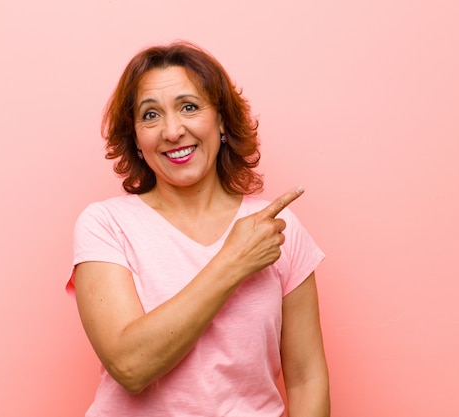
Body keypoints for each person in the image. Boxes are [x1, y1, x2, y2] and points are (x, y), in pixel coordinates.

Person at [66, 41, 330, 417]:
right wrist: (233, 261)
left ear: (221, 120)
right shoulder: (105, 225)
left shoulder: (278, 228)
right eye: (151, 115)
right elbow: (130, 366)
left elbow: (307, 380)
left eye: (189, 107)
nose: (172, 131)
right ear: (137, 140)